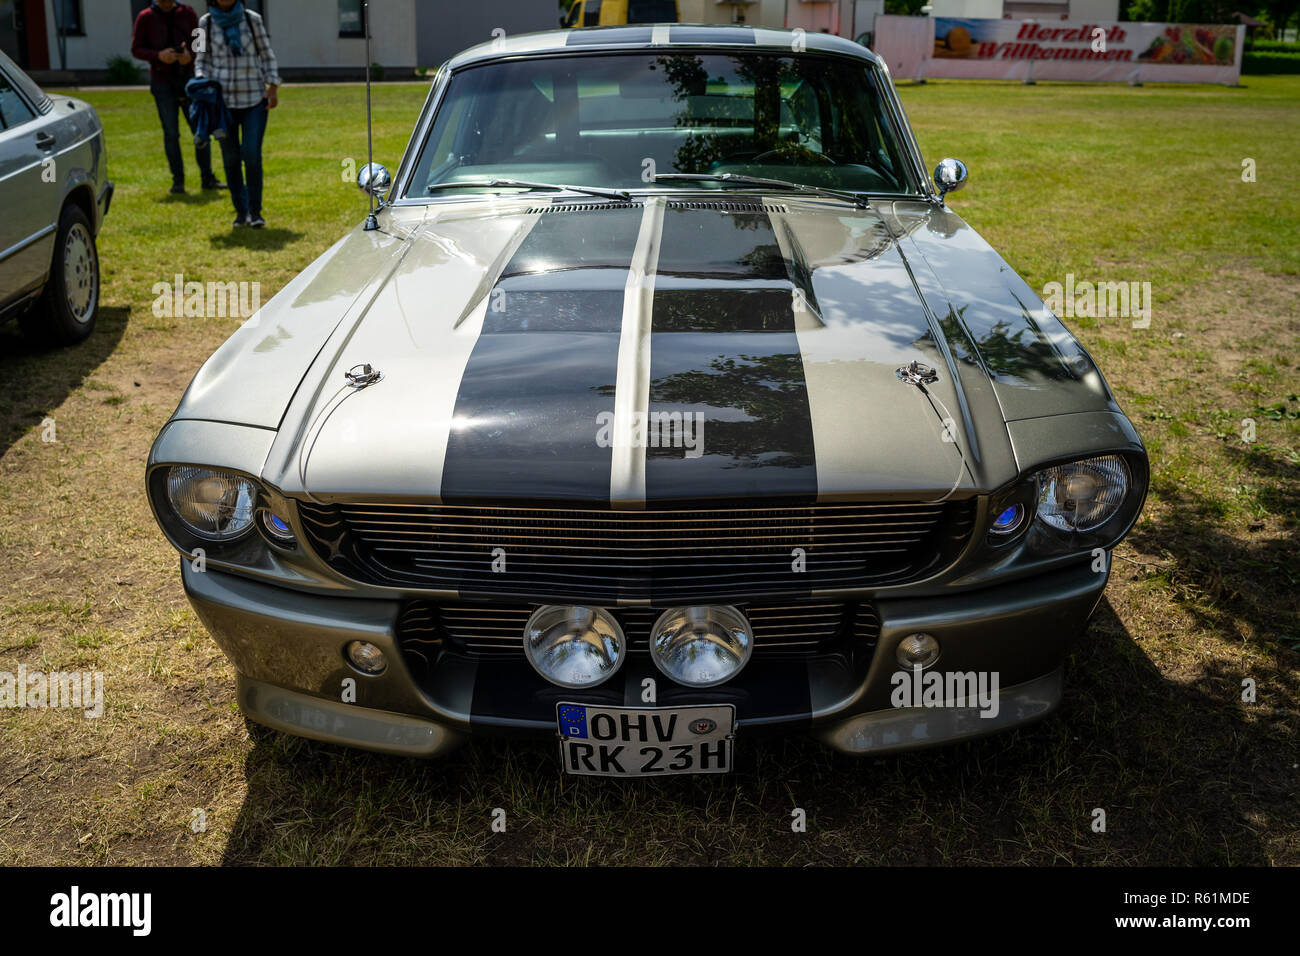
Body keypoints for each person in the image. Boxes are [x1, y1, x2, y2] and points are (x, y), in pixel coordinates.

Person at [194, 0, 281, 228]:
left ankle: (256, 211)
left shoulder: (253, 19)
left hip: (254, 98)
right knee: (230, 158)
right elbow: (199, 59)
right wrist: (202, 80)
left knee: (251, 154)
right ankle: (241, 212)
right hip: (222, 105)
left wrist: (272, 86)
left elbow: (267, 54)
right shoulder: (204, 23)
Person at [131, 0, 225, 194]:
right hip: (162, 82)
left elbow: (201, 42)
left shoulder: (188, 14)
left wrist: (190, 55)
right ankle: (178, 181)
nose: (166, 3)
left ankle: (207, 178)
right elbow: (136, 49)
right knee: (171, 134)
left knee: (200, 129)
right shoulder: (145, 17)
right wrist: (158, 55)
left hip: (189, 81)